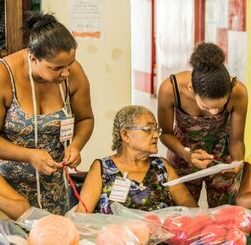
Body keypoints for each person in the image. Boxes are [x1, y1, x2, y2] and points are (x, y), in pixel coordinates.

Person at [0, 12, 94, 215]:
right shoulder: (4, 76)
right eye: (57, 68)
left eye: (70, 64)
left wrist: (76, 145)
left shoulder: (72, 73)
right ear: (33, 58)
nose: (66, 73)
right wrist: (29, 155)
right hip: (9, 194)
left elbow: (86, 119)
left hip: (56, 190)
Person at [157, 42, 248, 207]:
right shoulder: (170, 89)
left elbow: (237, 140)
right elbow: (165, 133)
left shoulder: (238, 92)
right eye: (206, 107)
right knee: (183, 216)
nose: (214, 112)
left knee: (223, 217)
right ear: (192, 89)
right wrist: (186, 154)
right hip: (181, 152)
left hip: (222, 159)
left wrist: (237, 162)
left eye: (219, 107)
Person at [76, 105, 197, 214]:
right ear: (125, 135)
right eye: (148, 129)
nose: (155, 135)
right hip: (116, 237)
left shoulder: (162, 166)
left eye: (156, 129)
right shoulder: (102, 168)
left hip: (160, 237)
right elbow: (83, 214)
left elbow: (188, 204)